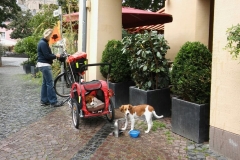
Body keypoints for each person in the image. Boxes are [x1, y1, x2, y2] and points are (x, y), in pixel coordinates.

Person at [37, 28, 63, 107]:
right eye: (51, 36)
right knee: (50, 84)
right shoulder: (43, 43)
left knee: (45, 83)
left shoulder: (42, 42)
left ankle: (44, 101)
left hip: (42, 65)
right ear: (48, 35)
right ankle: (53, 102)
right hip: (45, 65)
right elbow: (47, 55)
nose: (52, 37)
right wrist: (56, 55)